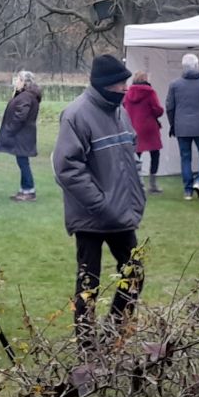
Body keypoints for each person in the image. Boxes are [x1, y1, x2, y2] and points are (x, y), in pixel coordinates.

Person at [53, 54, 147, 349]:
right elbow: (66, 168)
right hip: (92, 218)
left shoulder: (120, 112)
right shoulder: (76, 114)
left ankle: (113, 333)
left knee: (135, 274)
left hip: (120, 214)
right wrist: (100, 203)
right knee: (87, 283)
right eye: (120, 82)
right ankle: (87, 345)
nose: (125, 88)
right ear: (105, 84)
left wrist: (136, 195)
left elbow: (130, 159)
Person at [166, 53, 199, 201]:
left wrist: (172, 124)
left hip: (181, 126)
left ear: (183, 67)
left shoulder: (175, 84)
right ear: (197, 65)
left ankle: (188, 191)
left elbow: (169, 107)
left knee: (185, 158)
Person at [0, 71, 43, 202]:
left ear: (24, 82)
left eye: (18, 80)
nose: (16, 82)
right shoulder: (26, 95)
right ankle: (24, 189)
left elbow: (21, 115)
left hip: (22, 134)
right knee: (22, 161)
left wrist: (10, 129)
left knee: (23, 162)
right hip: (24, 133)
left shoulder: (26, 96)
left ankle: (29, 190)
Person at [123, 70, 165, 194]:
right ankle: (152, 185)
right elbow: (158, 110)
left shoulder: (127, 93)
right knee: (155, 154)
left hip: (134, 127)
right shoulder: (150, 92)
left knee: (136, 156)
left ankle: (135, 183)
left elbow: (124, 108)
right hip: (149, 128)